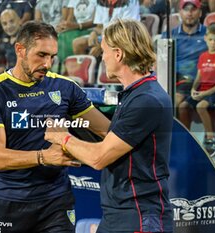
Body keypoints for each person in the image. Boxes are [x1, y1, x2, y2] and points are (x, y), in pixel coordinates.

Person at [0, 21, 110, 233]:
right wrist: (44, 157)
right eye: (41, 55)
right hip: (11, 202)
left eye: (52, 57)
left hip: (57, 201)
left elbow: (107, 132)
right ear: (20, 50)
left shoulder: (65, 88)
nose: (47, 64)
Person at [45, 19, 174, 233]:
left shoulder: (147, 100)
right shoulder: (136, 94)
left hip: (139, 215)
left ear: (118, 54)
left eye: (104, 51)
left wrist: (61, 137)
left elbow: (99, 157)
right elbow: (114, 144)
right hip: (119, 213)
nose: (101, 57)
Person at [179, 23, 215, 153]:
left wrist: (204, 93)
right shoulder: (203, 56)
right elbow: (199, 76)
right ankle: (187, 139)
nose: (213, 43)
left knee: (201, 106)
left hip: (214, 91)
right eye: (211, 39)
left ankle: (211, 140)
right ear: (206, 38)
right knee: (183, 106)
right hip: (202, 90)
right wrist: (193, 89)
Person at [162, 0, 207, 107]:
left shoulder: (209, 35)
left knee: (174, 102)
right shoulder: (169, 35)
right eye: (186, 9)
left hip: (199, 81)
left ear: (200, 13)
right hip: (173, 79)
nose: (189, 13)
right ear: (180, 12)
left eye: (193, 9)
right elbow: (161, 61)